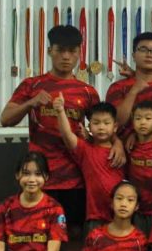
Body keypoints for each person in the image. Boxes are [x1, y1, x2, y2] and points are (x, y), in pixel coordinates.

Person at [0, 25, 110, 251]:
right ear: (50, 51)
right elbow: (5, 119)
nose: (66, 57)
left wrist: (113, 143)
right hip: (39, 177)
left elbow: (103, 127)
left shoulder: (87, 91)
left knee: (75, 235)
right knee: (36, 235)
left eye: (72, 51)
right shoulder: (32, 85)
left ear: (79, 54)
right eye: (60, 51)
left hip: (75, 176)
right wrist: (30, 103)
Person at [54, 97, 125, 232]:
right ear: (89, 126)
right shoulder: (86, 150)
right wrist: (60, 111)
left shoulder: (122, 150)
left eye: (106, 123)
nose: (101, 127)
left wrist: (119, 143)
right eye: (96, 123)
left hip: (122, 215)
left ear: (115, 127)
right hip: (95, 216)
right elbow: (67, 135)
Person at [106, 32, 152, 128]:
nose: (149, 54)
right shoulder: (118, 87)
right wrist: (133, 91)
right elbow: (116, 122)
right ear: (133, 56)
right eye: (143, 49)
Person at [126, 101, 152, 235]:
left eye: (148, 118)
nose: (142, 122)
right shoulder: (129, 145)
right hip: (136, 209)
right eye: (138, 118)